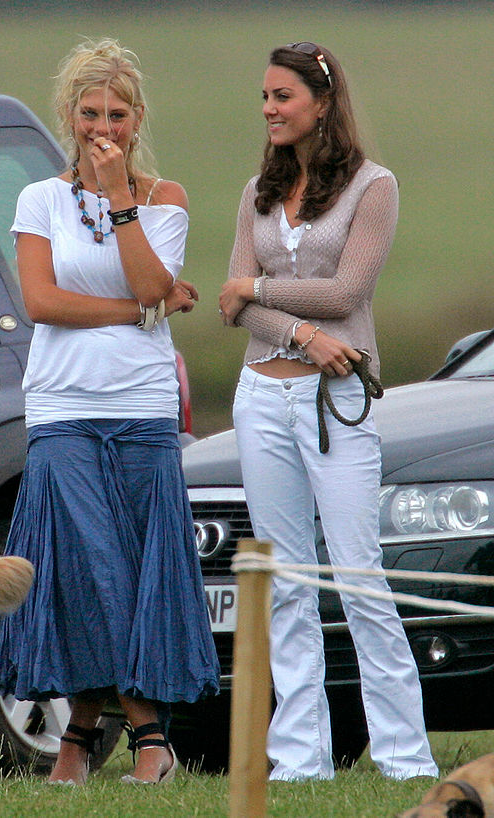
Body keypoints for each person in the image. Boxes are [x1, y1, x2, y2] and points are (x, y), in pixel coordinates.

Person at [0, 38, 219, 786]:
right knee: (89, 570)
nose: (103, 126)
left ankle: (82, 737)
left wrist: (120, 199)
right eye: (90, 112)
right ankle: (149, 736)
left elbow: (156, 279)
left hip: (142, 409)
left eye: (117, 113)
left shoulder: (164, 200)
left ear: (137, 116)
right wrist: (140, 309)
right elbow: (42, 301)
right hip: (63, 409)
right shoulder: (39, 200)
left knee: (136, 574)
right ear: (69, 115)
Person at [218, 42, 438, 781]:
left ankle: (406, 757)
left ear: (322, 101)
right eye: (265, 97)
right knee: (286, 579)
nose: (270, 110)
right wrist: (303, 333)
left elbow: (348, 293)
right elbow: (228, 304)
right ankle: (300, 757)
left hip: (337, 404)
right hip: (262, 397)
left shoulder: (374, 187)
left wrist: (262, 291)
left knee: (357, 574)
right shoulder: (256, 191)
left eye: (282, 96)